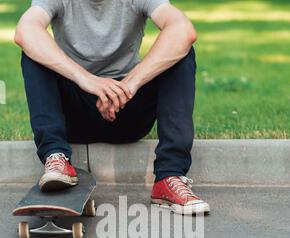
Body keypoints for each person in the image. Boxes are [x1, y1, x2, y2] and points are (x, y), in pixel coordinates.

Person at [15, 0, 210, 214]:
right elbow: (26, 31)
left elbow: (183, 30)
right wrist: (86, 79)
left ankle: (169, 176)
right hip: (73, 114)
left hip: (127, 111)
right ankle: (56, 158)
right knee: (34, 51)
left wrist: (129, 85)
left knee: (180, 52)